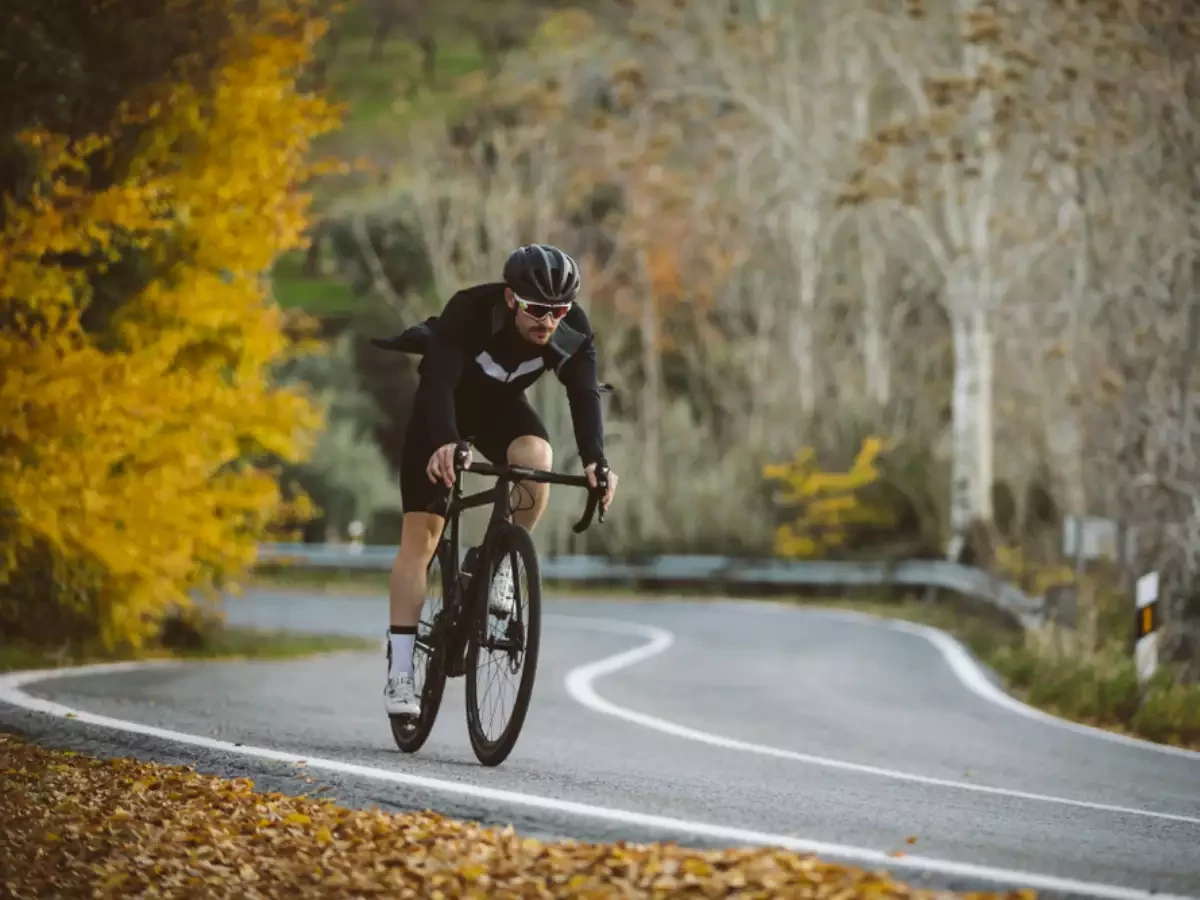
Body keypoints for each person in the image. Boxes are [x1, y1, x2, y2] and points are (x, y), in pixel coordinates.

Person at [382, 243, 619, 716]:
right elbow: (437, 385)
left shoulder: (570, 330)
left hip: (497, 412)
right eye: (536, 309)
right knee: (422, 537)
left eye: (558, 311)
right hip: (442, 412)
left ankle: (503, 561)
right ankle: (400, 673)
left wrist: (596, 460)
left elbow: (584, 395)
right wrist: (446, 442)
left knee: (537, 455)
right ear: (512, 299)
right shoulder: (471, 311)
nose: (547, 321)